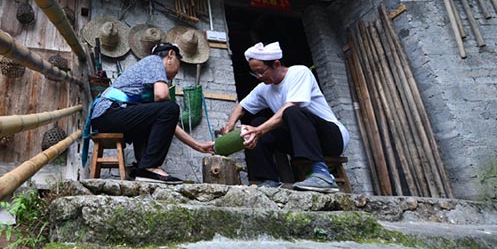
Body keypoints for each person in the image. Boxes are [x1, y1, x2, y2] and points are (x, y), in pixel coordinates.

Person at [220, 41, 349, 193]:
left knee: (291, 112)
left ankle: (323, 174)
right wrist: (230, 126)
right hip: (300, 141)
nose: (259, 77)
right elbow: (241, 107)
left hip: (332, 138)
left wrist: (258, 131)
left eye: (261, 72)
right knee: (256, 122)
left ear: (276, 64)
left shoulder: (299, 73)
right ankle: (267, 180)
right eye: (255, 73)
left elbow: (290, 107)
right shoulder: (264, 88)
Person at [88, 42, 215, 184]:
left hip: (107, 117)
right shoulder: (154, 61)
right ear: (170, 55)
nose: (175, 74)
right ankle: (149, 167)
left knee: (161, 114)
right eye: (178, 67)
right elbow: (162, 95)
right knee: (170, 108)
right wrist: (166, 101)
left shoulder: (148, 86)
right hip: (108, 112)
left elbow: (169, 124)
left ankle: (143, 168)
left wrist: (197, 145)